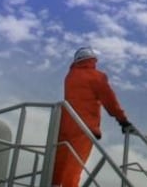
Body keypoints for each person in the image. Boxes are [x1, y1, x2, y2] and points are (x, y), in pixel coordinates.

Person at [52, 46, 133, 187]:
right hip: (84, 127)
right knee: (74, 165)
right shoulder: (96, 77)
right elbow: (110, 100)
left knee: (59, 162)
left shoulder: (70, 76)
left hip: (65, 124)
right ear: (93, 60)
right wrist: (122, 120)